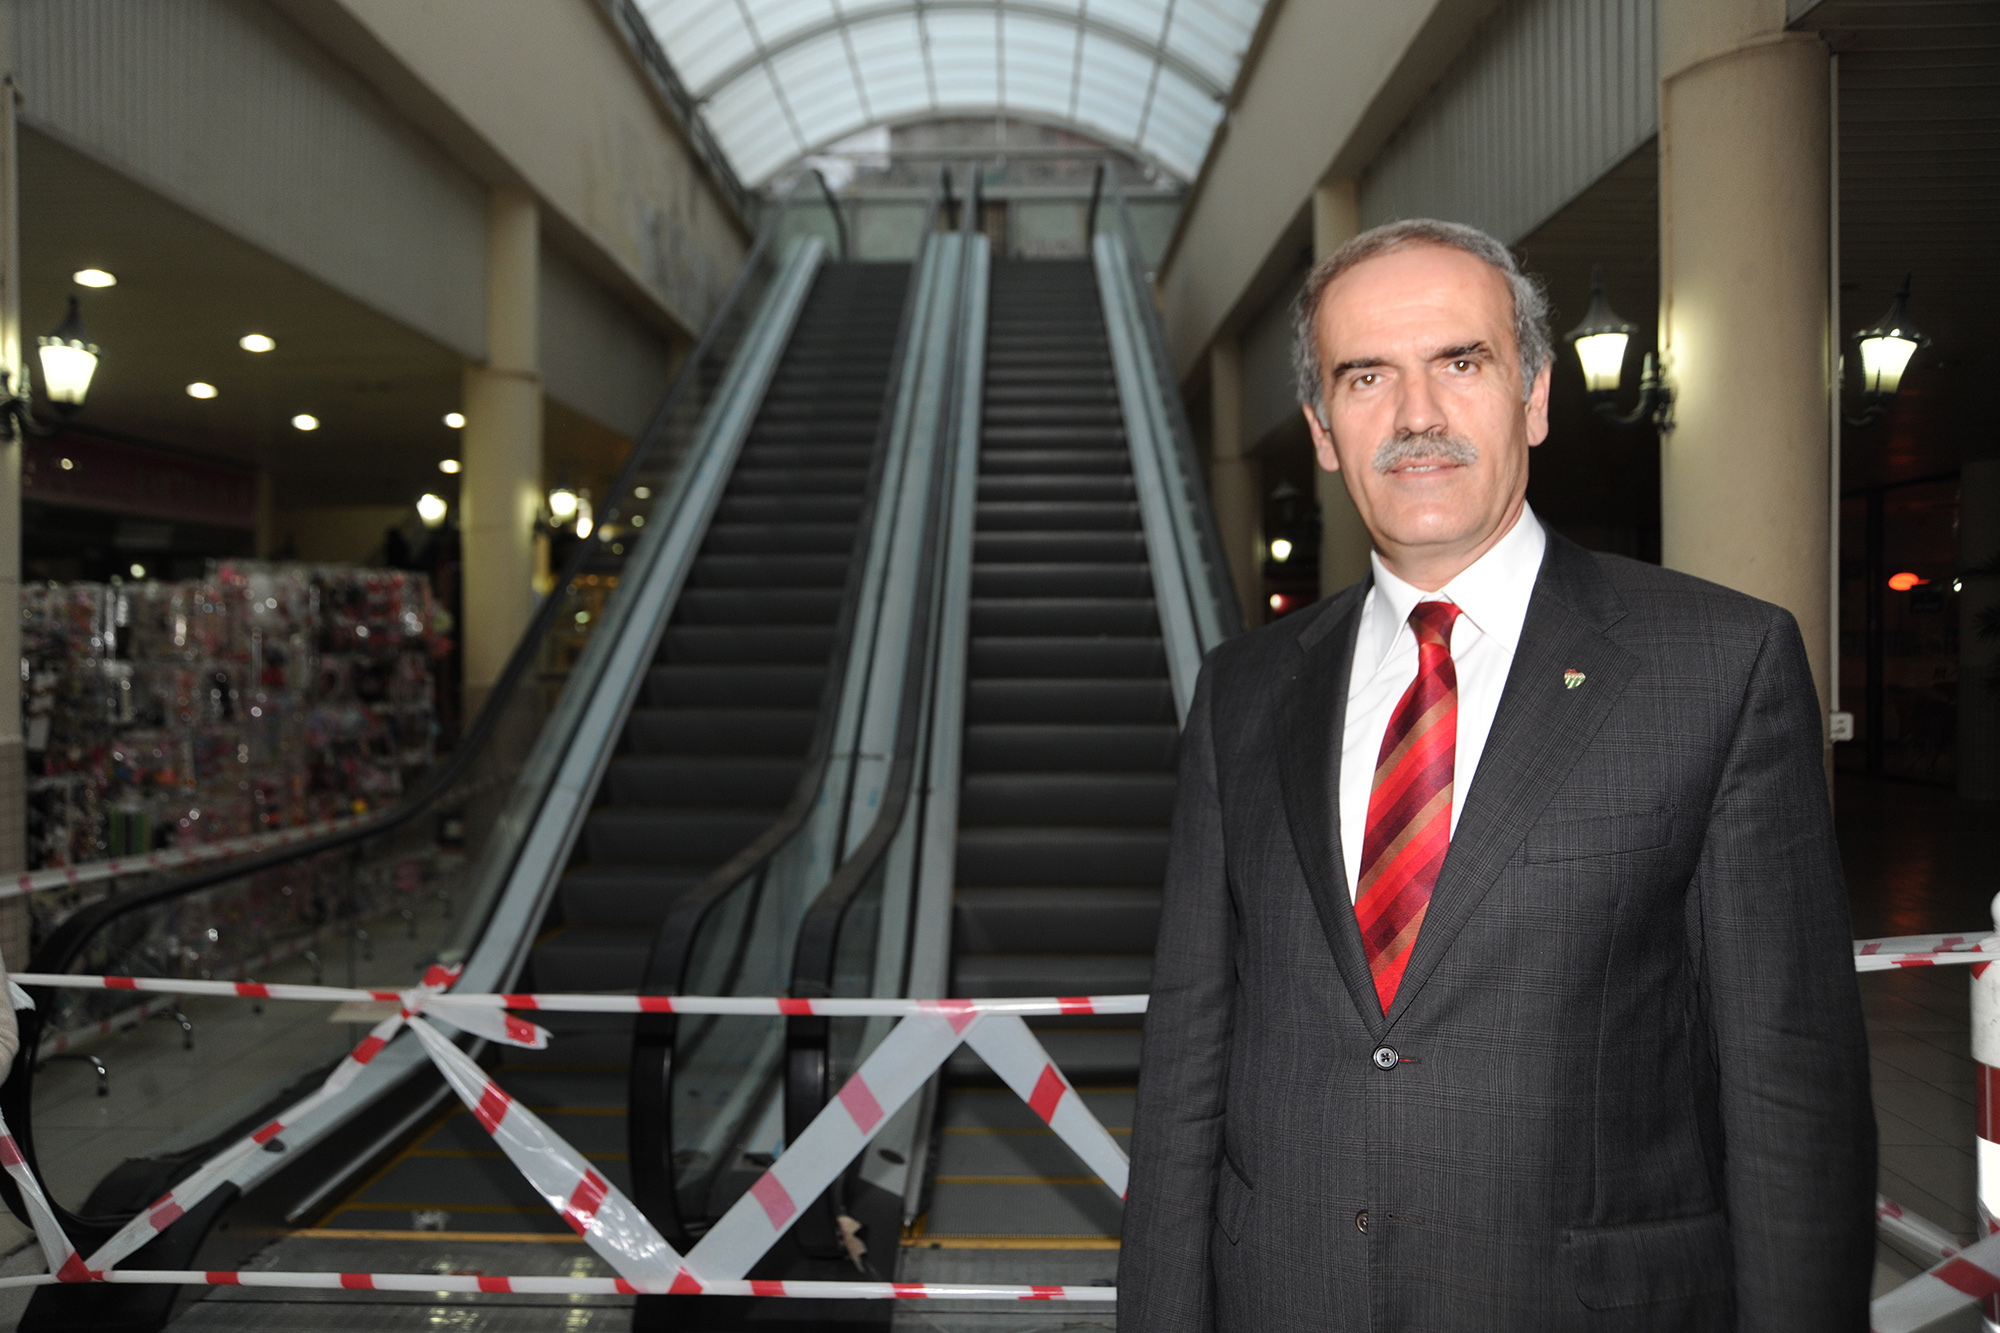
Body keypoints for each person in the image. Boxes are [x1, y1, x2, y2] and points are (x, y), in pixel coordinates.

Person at [1117, 219, 1874, 1331]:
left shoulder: (1719, 664)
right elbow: (1189, 1056)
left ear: (1533, 395)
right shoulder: (1244, 690)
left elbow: (1788, 1091)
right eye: (1366, 376)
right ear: (1322, 430)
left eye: (1460, 362)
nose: (1415, 414)